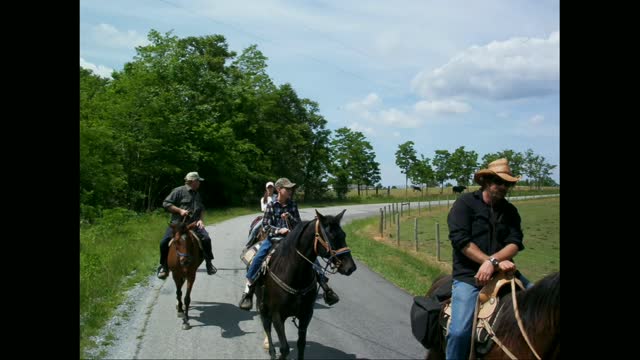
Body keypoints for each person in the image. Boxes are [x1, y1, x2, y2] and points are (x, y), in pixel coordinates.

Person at [445, 158, 533, 360]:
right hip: (469, 277)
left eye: (507, 184)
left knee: (544, 304)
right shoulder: (464, 204)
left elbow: (515, 242)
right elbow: (461, 241)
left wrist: (492, 262)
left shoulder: (510, 211)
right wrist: (490, 262)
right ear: (485, 181)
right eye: (499, 182)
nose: (503, 187)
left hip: (505, 273)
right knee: (459, 333)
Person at [238, 177, 340, 310]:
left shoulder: (292, 204)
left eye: (291, 188)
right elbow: (265, 226)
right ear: (279, 190)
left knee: (311, 259)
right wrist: (279, 230)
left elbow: (298, 224)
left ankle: (326, 289)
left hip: (292, 240)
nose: (291, 190)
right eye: (288, 188)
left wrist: (290, 218)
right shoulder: (271, 205)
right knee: (257, 259)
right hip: (273, 240)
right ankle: (248, 292)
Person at [156, 171, 217, 279]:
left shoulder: (197, 194)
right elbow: (166, 203)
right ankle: (164, 267)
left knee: (206, 239)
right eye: (198, 181)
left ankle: (209, 263)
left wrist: (201, 221)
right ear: (192, 181)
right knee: (163, 242)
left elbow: (201, 209)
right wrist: (180, 211)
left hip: (193, 224)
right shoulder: (178, 191)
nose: (199, 183)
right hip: (178, 225)